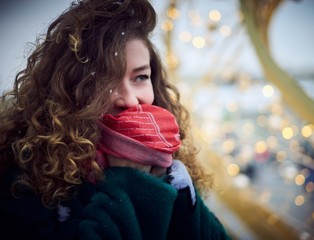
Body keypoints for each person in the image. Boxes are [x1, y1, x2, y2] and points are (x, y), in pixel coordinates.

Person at [0, 0, 231, 239]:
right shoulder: (25, 173)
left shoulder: (170, 163)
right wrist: (130, 184)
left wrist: (179, 193)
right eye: (105, 82)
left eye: (140, 77)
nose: (130, 100)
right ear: (70, 88)